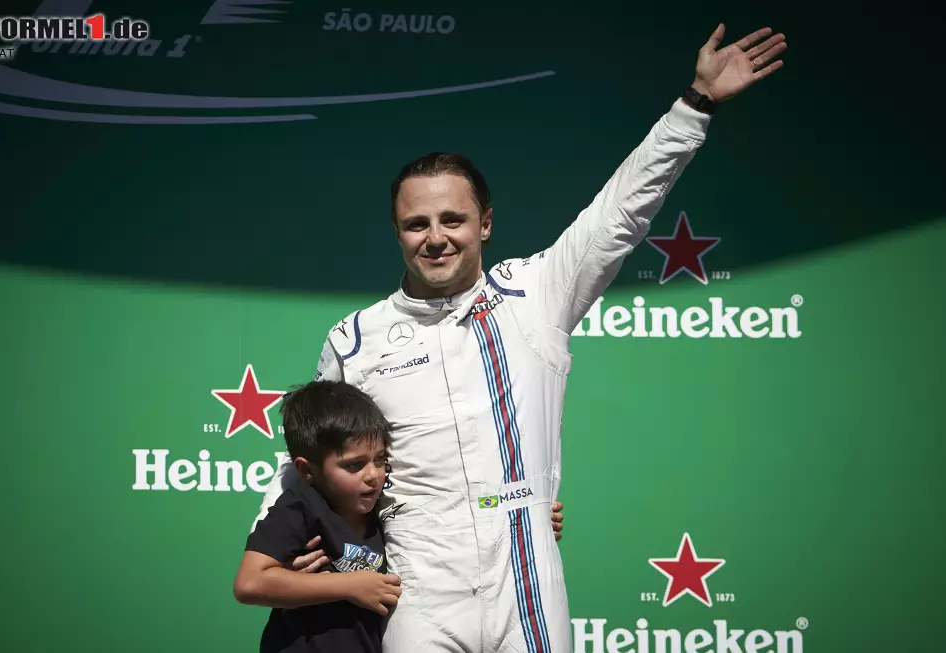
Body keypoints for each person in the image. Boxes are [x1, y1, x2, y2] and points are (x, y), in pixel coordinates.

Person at [256, 23, 786, 653]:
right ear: (398, 233)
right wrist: (288, 556)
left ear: (485, 222)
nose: (436, 236)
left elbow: (621, 212)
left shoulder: (538, 292)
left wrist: (694, 105)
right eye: (415, 223)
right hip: (417, 588)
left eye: (453, 219)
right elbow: (308, 464)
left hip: (526, 582)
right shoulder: (355, 339)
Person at [234, 381, 402, 653]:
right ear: (306, 470)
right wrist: (349, 585)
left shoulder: (385, 513)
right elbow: (248, 583)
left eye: (380, 459)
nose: (373, 475)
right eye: (354, 465)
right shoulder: (301, 506)